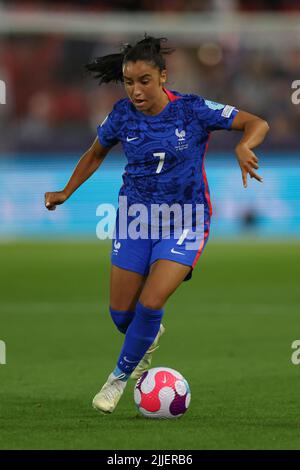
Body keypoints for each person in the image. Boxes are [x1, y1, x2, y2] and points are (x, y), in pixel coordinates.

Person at [44, 34, 269, 414]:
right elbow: (95, 153)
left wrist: (245, 145)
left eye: (144, 81)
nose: (135, 90)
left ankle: (116, 381)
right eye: (129, 82)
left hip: (186, 219)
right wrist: (67, 191)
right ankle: (146, 338)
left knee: (151, 301)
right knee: (122, 315)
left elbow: (256, 122)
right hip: (135, 217)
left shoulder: (193, 110)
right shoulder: (121, 115)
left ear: (163, 76)